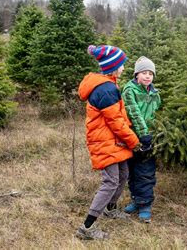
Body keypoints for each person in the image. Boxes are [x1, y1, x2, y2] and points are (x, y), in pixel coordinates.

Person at [75, 45, 140, 240]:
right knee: (111, 181)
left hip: (112, 140)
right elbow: (116, 122)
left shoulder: (109, 84)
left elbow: (118, 118)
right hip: (105, 141)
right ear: (113, 66)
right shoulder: (106, 89)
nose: (123, 68)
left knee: (123, 174)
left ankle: (110, 208)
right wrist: (134, 141)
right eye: (121, 65)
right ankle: (87, 227)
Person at [122, 56, 161, 223]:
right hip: (133, 137)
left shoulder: (155, 93)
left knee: (146, 171)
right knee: (132, 170)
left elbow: (158, 114)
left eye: (150, 73)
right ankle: (136, 200)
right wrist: (143, 134)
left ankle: (145, 204)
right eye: (144, 73)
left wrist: (153, 134)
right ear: (136, 74)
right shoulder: (129, 90)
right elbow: (134, 112)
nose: (147, 76)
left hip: (149, 137)